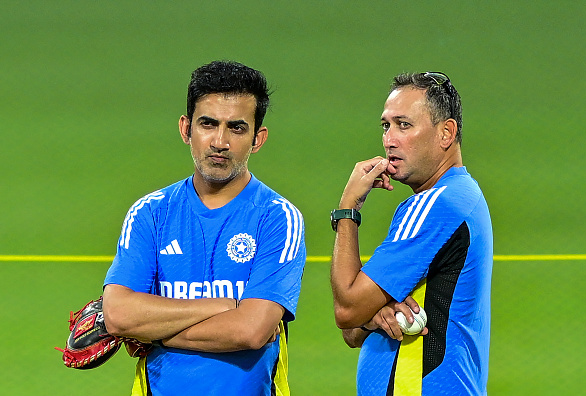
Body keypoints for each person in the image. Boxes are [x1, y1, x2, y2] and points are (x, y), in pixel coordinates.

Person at [102, 60, 306, 396]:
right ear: (186, 129)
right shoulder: (150, 213)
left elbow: (252, 331)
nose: (219, 141)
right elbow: (119, 315)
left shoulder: (278, 218)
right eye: (207, 124)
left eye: (237, 128)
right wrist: (224, 306)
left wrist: (151, 331)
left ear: (258, 139)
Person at [330, 72, 493, 395]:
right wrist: (374, 315)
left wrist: (348, 209)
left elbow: (346, 308)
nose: (390, 139)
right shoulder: (458, 196)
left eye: (404, 125)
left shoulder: (437, 205)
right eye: (386, 126)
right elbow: (353, 329)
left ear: (446, 133)